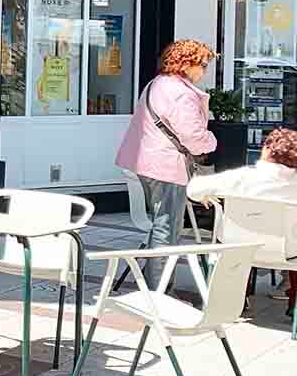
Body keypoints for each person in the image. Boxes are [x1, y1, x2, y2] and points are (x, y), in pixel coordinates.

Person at [116, 39, 217, 288]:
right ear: (186, 64)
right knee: (166, 229)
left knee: (161, 224)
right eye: (202, 65)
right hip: (166, 166)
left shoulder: (157, 83)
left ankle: (156, 285)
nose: (204, 71)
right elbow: (192, 136)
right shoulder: (180, 92)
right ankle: (159, 293)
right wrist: (211, 141)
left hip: (147, 161)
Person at [189, 127, 297, 315]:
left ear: (266, 149)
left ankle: (238, 297)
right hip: (288, 253)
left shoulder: (241, 177)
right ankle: (294, 302)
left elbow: (193, 188)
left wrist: (205, 195)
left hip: (237, 247)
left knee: (242, 237)